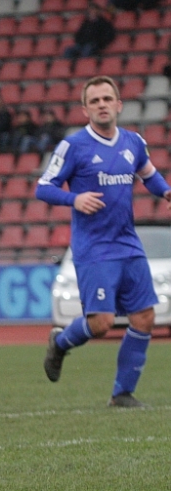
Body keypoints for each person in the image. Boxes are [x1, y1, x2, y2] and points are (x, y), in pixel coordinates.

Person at [37, 75, 171, 408]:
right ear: (85, 109)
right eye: (94, 101)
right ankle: (60, 343)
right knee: (101, 324)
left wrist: (166, 191)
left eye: (107, 99)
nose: (102, 105)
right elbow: (44, 187)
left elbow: (149, 175)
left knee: (144, 317)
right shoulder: (73, 146)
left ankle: (122, 394)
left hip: (128, 243)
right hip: (94, 248)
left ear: (119, 105)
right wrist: (75, 199)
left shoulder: (133, 142)